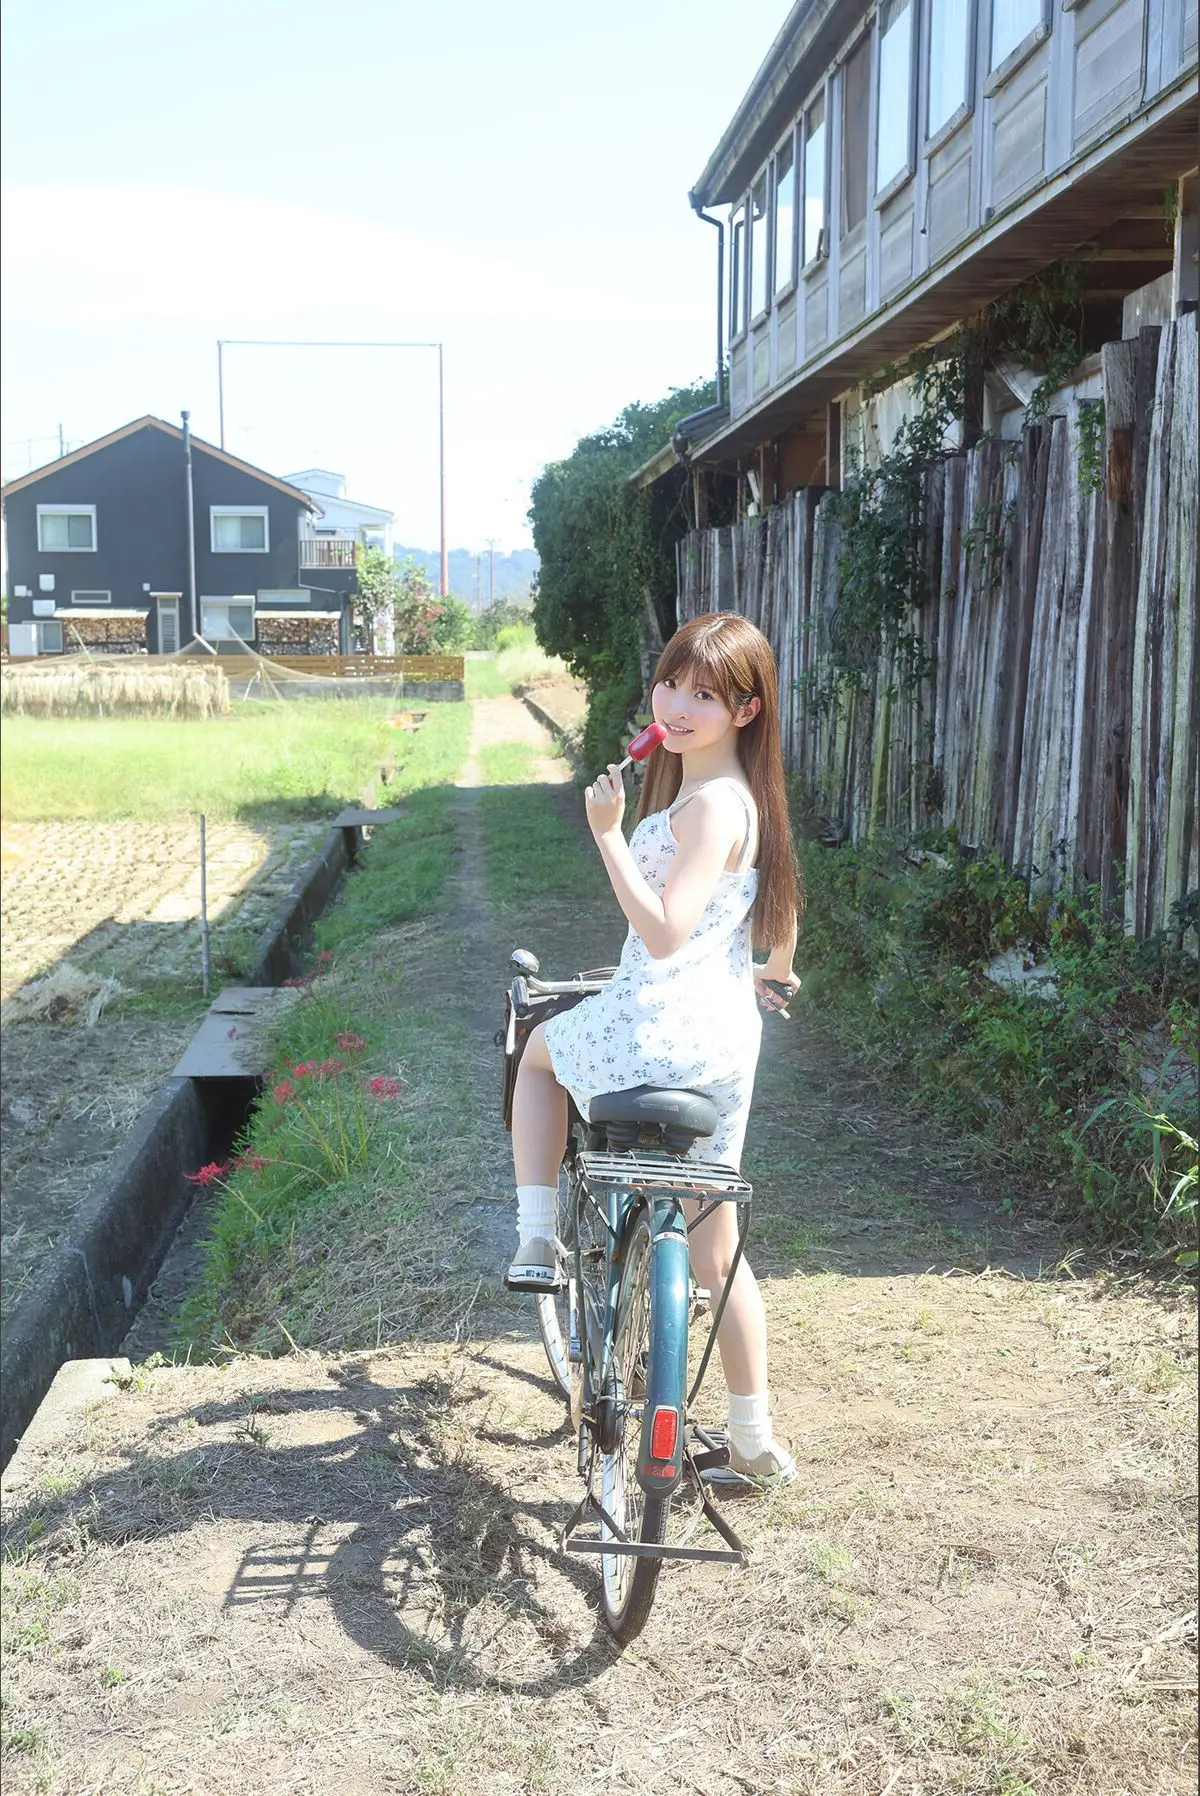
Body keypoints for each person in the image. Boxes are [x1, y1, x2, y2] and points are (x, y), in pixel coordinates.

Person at [505, 611, 803, 1483]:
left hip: (657, 1025)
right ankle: (752, 1440)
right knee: (719, 1251)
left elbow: (666, 933)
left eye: (704, 695)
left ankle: (535, 1240)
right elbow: (777, 904)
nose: (675, 705)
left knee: (537, 1055)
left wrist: (606, 833)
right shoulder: (744, 800)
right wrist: (776, 971)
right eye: (671, 683)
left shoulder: (707, 806)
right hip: (722, 1045)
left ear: (745, 710)